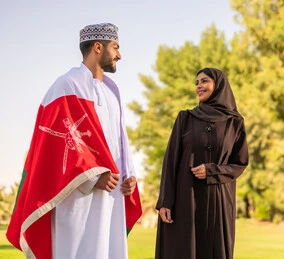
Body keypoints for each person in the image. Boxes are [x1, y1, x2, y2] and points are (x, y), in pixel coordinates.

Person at [6, 23, 142, 259]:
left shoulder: (113, 92)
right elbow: (55, 141)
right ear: (98, 47)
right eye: (116, 47)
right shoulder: (66, 85)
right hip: (78, 193)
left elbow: (120, 139)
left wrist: (129, 175)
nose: (120, 55)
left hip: (113, 193)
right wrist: (92, 177)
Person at [155, 67, 249, 259]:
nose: (199, 86)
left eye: (204, 81)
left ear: (218, 84)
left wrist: (212, 171)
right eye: (197, 83)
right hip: (185, 199)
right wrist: (165, 201)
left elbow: (240, 163)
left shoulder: (235, 123)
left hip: (219, 199)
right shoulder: (185, 118)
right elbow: (171, 160)